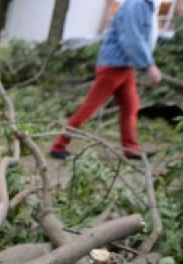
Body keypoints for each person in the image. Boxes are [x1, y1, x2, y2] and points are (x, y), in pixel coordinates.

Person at [51, 0, 163, 160]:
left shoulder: (144, 5)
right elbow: (131, 39)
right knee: (89, 108)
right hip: (113, 66)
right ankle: (58, 146)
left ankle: (131, 148)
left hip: (124, 66)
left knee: (131, 107)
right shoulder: (136, 5)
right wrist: (148, 66)